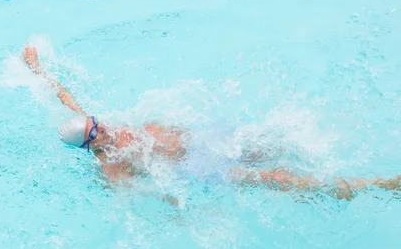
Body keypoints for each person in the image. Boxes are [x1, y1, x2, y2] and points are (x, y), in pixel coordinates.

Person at [22, 43, 401, 201]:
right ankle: (374, 186)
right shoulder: (111, 165)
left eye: (97, 122)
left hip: (209, 139)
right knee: (277, 178)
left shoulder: (98, 125)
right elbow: (137, 194)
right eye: (95, 132)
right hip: (203, 166)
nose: (103, 127)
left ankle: (329, 176)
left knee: (281, 140)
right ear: (90, 145)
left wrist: (36, 68)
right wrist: (183, 208)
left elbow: (65, 96)